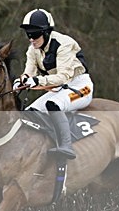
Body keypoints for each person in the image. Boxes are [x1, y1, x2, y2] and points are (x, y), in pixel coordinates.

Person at [17, 8, 93, 160]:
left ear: (46, 32)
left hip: (79, 86)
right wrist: (21, 81)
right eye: (28, 34)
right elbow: (29, 72)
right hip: (57, 89)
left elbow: (63, 77)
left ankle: (66, 145)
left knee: (53, 104)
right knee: (30, 112)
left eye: (35, 34)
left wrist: (38, 81)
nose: (31, 39)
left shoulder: (64, 44)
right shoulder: (33, 49)